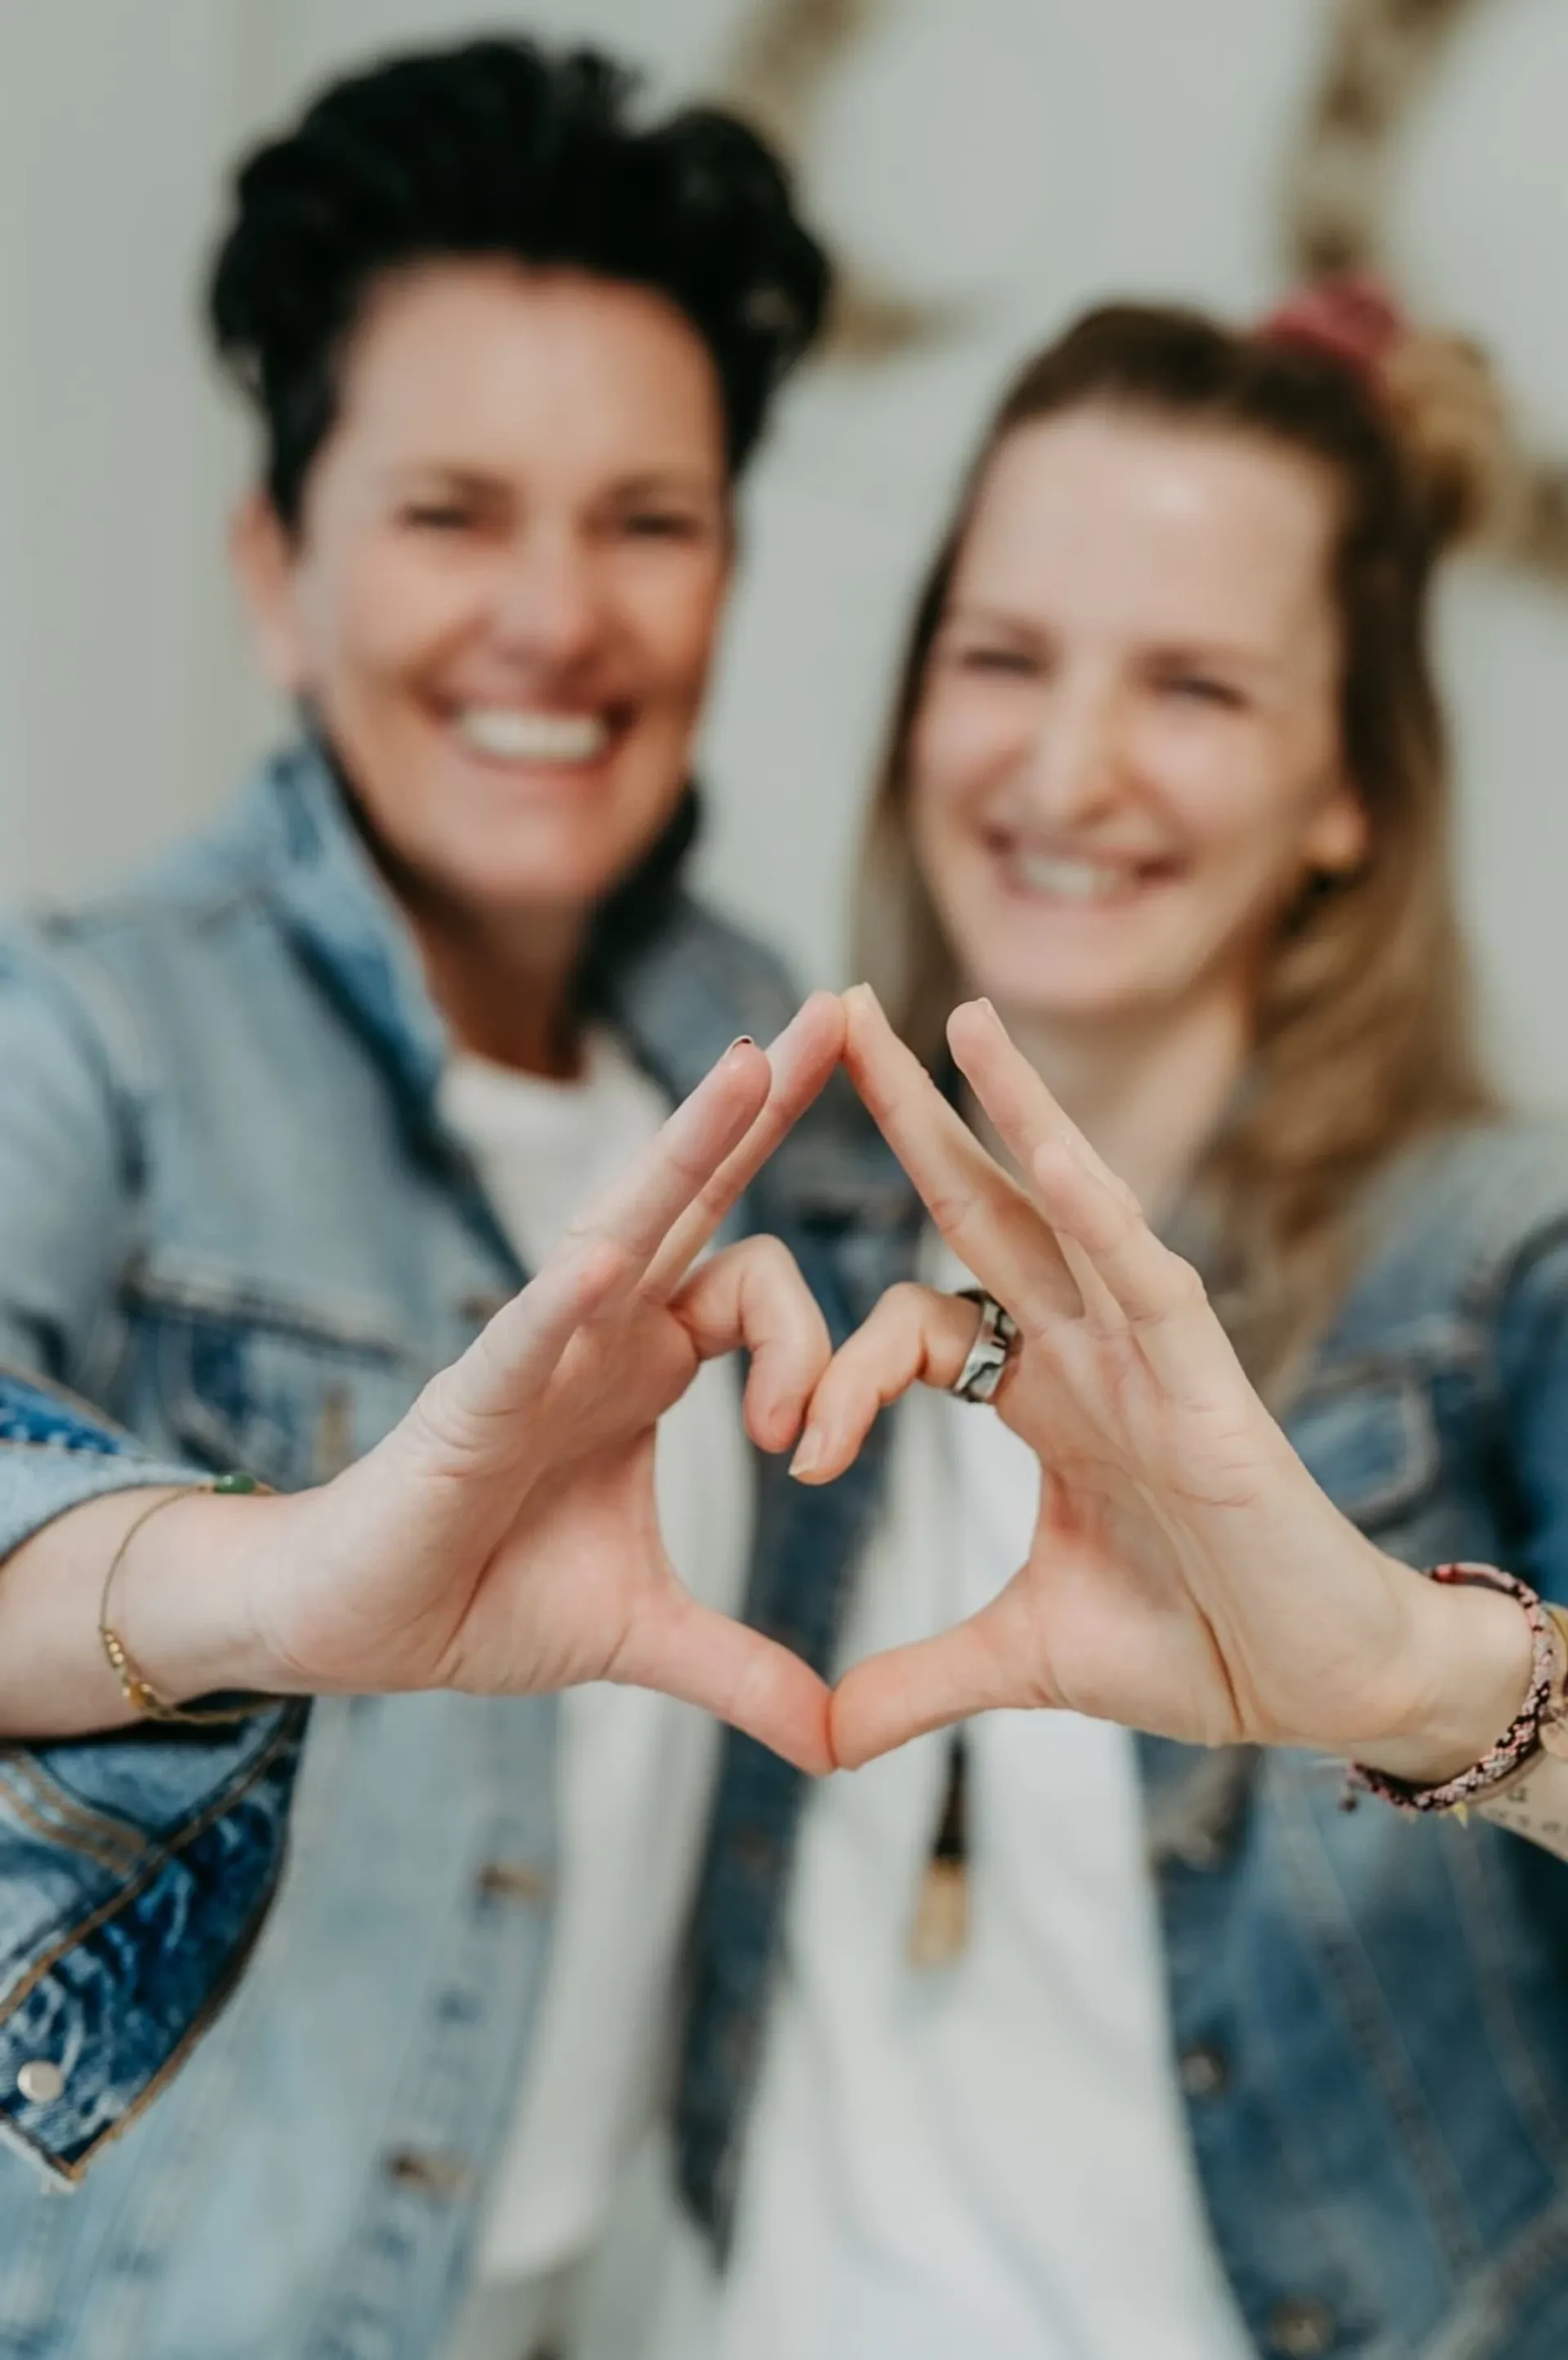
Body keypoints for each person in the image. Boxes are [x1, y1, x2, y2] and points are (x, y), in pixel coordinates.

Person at [0, 35, 902, 2360]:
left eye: (648, 519)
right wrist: (284, 1577)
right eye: (450, 513)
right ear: (277, 572)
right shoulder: (80, 1034)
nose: (556, 617)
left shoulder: (783, 1068)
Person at [662, 295, 1568, 2359]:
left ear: (1350, 784)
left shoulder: (1506, 1268)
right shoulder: (765, 1218)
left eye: (1193, 687)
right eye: (1002, 658)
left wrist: (1427, 1678)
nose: (1066, 768)